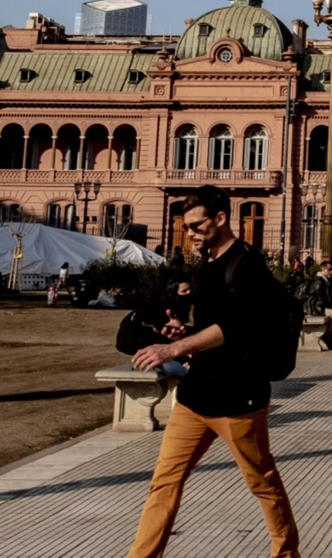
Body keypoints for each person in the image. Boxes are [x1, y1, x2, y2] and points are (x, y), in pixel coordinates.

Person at [125, 186, 300, 558]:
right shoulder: (204, 265)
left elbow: (235, 328)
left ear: (220, 218)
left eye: (196, 224)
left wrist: (174, 348)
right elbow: (212, 327)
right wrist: (181, 333)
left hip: (238, 399)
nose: (189, 232)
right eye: (186, 226)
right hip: (196, 395)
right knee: (163, 482)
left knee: (261, 483)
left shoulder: (248, 265)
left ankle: (286, 554)